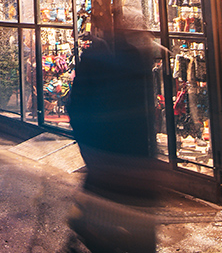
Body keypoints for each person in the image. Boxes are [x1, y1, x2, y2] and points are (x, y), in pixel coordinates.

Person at [66, 24, 162, 253]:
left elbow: (76, 108)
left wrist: (89, 149)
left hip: (112, 169)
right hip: (130, 171)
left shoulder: (98, 59)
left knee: (109, 230)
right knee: (136, 235)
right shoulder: (134, 61)